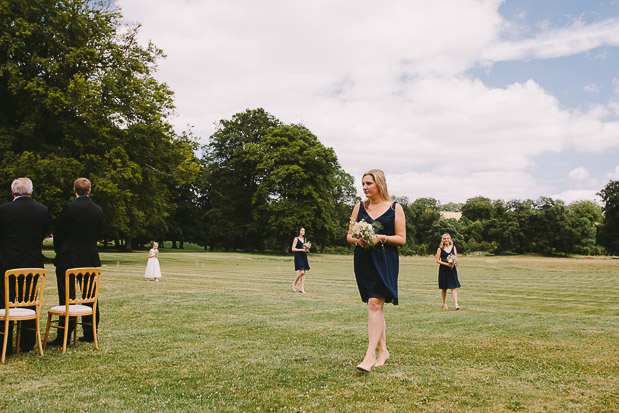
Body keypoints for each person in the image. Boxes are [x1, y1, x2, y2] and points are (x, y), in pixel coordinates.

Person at [346, 169, 405, 372]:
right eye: (363, 183)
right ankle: (384, 351)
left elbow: (401, 239)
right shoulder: (358, 207)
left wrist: (380, 237)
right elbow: (349, 236)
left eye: (368, 183)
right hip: (364, 261)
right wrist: (359, 239)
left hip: (385, 260)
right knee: (374, 306)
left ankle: (369, 356)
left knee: (374, 303)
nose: (364, 187)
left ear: (379, 184)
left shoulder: (395, 208)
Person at [48, 178, 103, 346]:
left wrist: (60, 250)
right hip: (89, 258)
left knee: (66, 296)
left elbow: (58, 233)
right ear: (89, 190)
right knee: (90, 296)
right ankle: (90, 331)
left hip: (68, 259)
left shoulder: (69, 208)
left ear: (75, 190)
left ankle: (64, 333)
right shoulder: (98, 210)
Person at [0, 178, 49, 355]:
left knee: (4, 302)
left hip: (6, 263)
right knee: (29, 301)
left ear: (12, 192)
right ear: (31, 192)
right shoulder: (43, 211)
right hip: (32, 263)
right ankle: (27, 343)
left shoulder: (3, 210)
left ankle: (3, 344)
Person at [436, 233, 461, 310]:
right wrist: (447, 264)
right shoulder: (440, 249)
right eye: (445, 238)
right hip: (443, 269)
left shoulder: (453, 247)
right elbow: (437, 260)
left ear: (450, 239)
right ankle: (444, 304)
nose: (446, 240)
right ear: (442, 240)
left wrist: (453, 263)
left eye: (447, 238)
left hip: (452, 269)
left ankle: (456, 304)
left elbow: (456, 257)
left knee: (453, 287)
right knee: (444, 287)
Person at [290, 227, 310, 293]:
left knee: (304, 273)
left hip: (304, 256)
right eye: (302, 230)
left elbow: (305, 248)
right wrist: (302, 250)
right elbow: (293, 249)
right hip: (298, 256)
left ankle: (301, 288)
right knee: (302, 272)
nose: (303, 232)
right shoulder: (296, 239)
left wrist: (306, 250)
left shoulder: (305, 239)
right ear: (299, 231)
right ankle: (294, 283)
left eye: (304, 231)